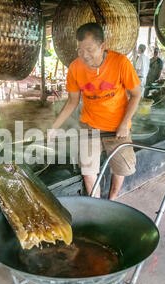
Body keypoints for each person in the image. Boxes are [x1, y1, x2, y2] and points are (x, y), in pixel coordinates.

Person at [48, 23, 142, 200]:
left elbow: (136, 95)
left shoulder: (120, 62)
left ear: (102, 46)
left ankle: (111, 201)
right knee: (88, 170)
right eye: (80, 50)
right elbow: (72, 101)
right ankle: (96, 205)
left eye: (89, 49)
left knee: (120, 168)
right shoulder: (75, 68)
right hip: (90, 127)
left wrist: (124, 124)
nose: (84, 55)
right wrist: (54, 126)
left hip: (118, 129)